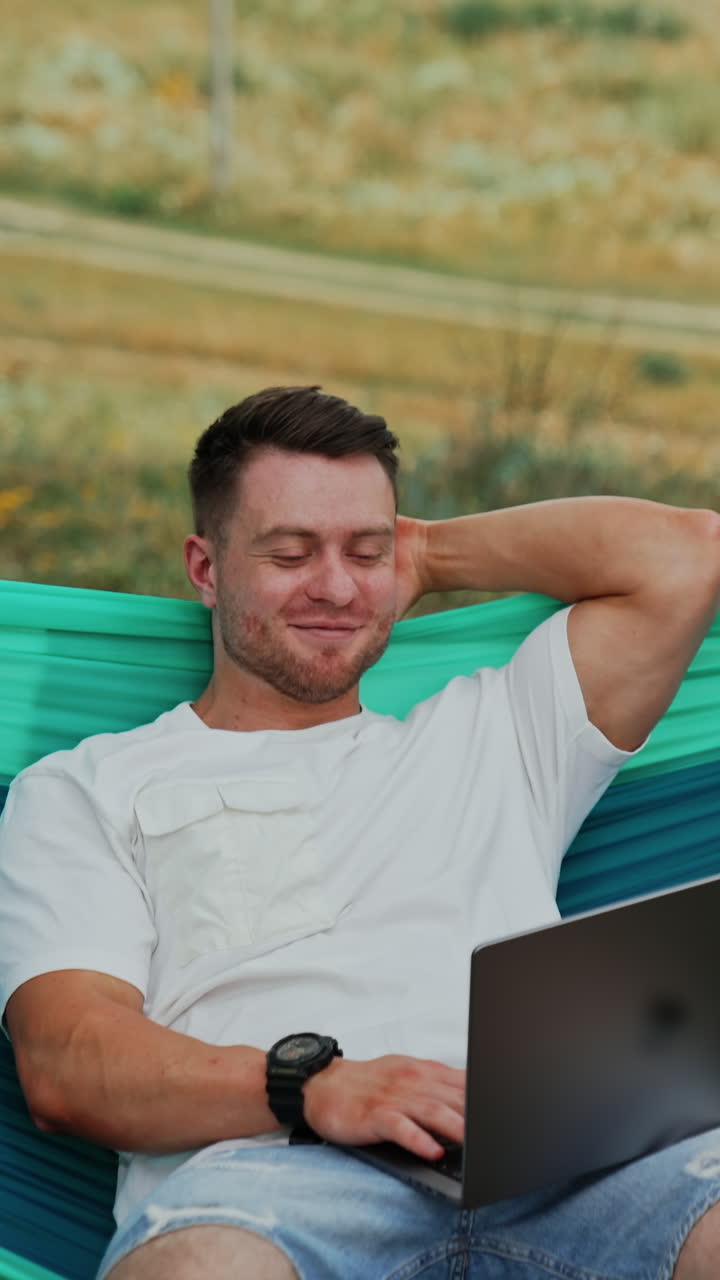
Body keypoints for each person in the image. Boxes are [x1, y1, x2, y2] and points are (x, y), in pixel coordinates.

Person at [1, 384, 720, 1280]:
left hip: (565, 1166)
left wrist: (423, 550)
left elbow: (687, 554)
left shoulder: (498, 734)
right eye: (291, 552)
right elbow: (68, 1062)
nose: (337, 588)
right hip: (273, 1176)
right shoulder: (86, 788)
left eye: (364, 551)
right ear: (205, 567)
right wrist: (311, 1087)